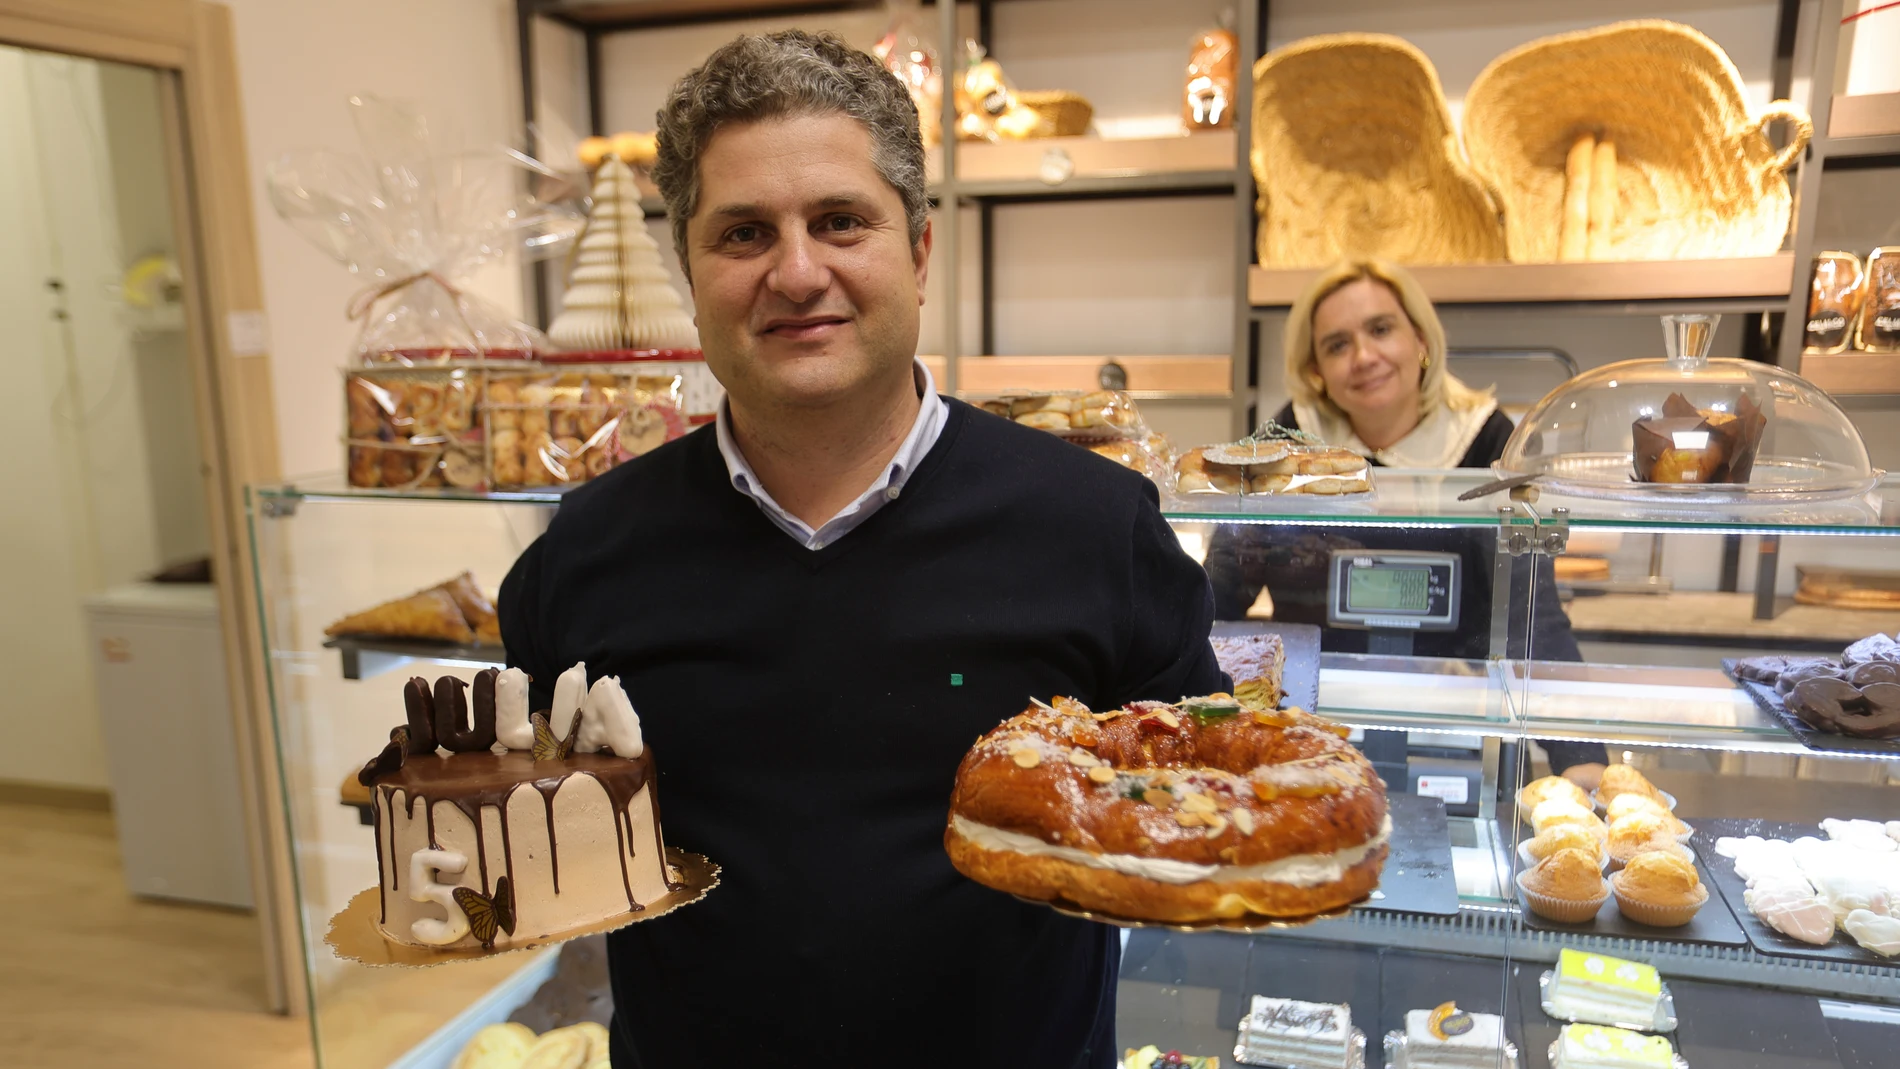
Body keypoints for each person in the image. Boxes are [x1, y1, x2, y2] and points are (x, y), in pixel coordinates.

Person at [498, 31, 1224, 1068]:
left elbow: (1196, 810)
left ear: (919, 252)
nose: (798, 273)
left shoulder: (1097, 527)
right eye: (743, 233)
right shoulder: (588, 549)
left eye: (840, 221)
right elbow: (535, 830)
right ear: (690, 273)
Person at [1203, 259, 1606, 786]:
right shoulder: (1285, 443)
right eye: (1337, 345)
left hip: (1461, 735)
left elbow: (1532, 617)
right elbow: (1218, 597)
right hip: (1308, 733)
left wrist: (1581, 756)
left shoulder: (1487, 440)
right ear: (1316, 369)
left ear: (1420, 339)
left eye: (1380, 329)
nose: (1363, 357)